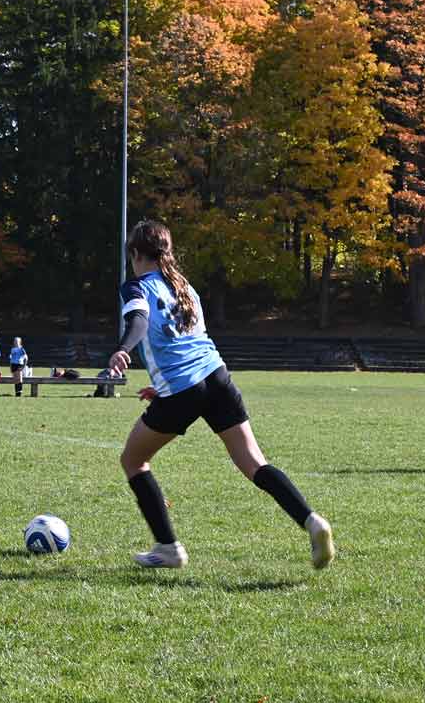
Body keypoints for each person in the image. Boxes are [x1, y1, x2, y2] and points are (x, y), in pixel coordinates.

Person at [107, 220, 334, 571]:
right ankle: (312, 521)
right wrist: (163, 386)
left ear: (135, 254)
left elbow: (138, 320)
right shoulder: (184, 285)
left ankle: (168, 548)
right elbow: (188, 341)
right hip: (217, 377)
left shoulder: (137, 286)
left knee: (133, 460)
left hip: (183, 389)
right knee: (255, 463)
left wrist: (123, 349)